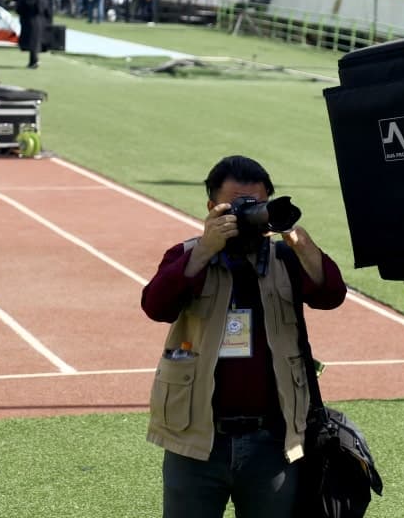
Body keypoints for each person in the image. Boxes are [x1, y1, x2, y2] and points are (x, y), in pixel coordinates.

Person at [141, 155, 347, 518]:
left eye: (258, 204)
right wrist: (206, 249)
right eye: (238, 206)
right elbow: (156, 306)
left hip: (272, 443)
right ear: (211, 207)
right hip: (196, 441)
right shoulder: (189, 255)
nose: (250, 214)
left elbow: (331, 294)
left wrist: (301, 244)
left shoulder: (286, 258)